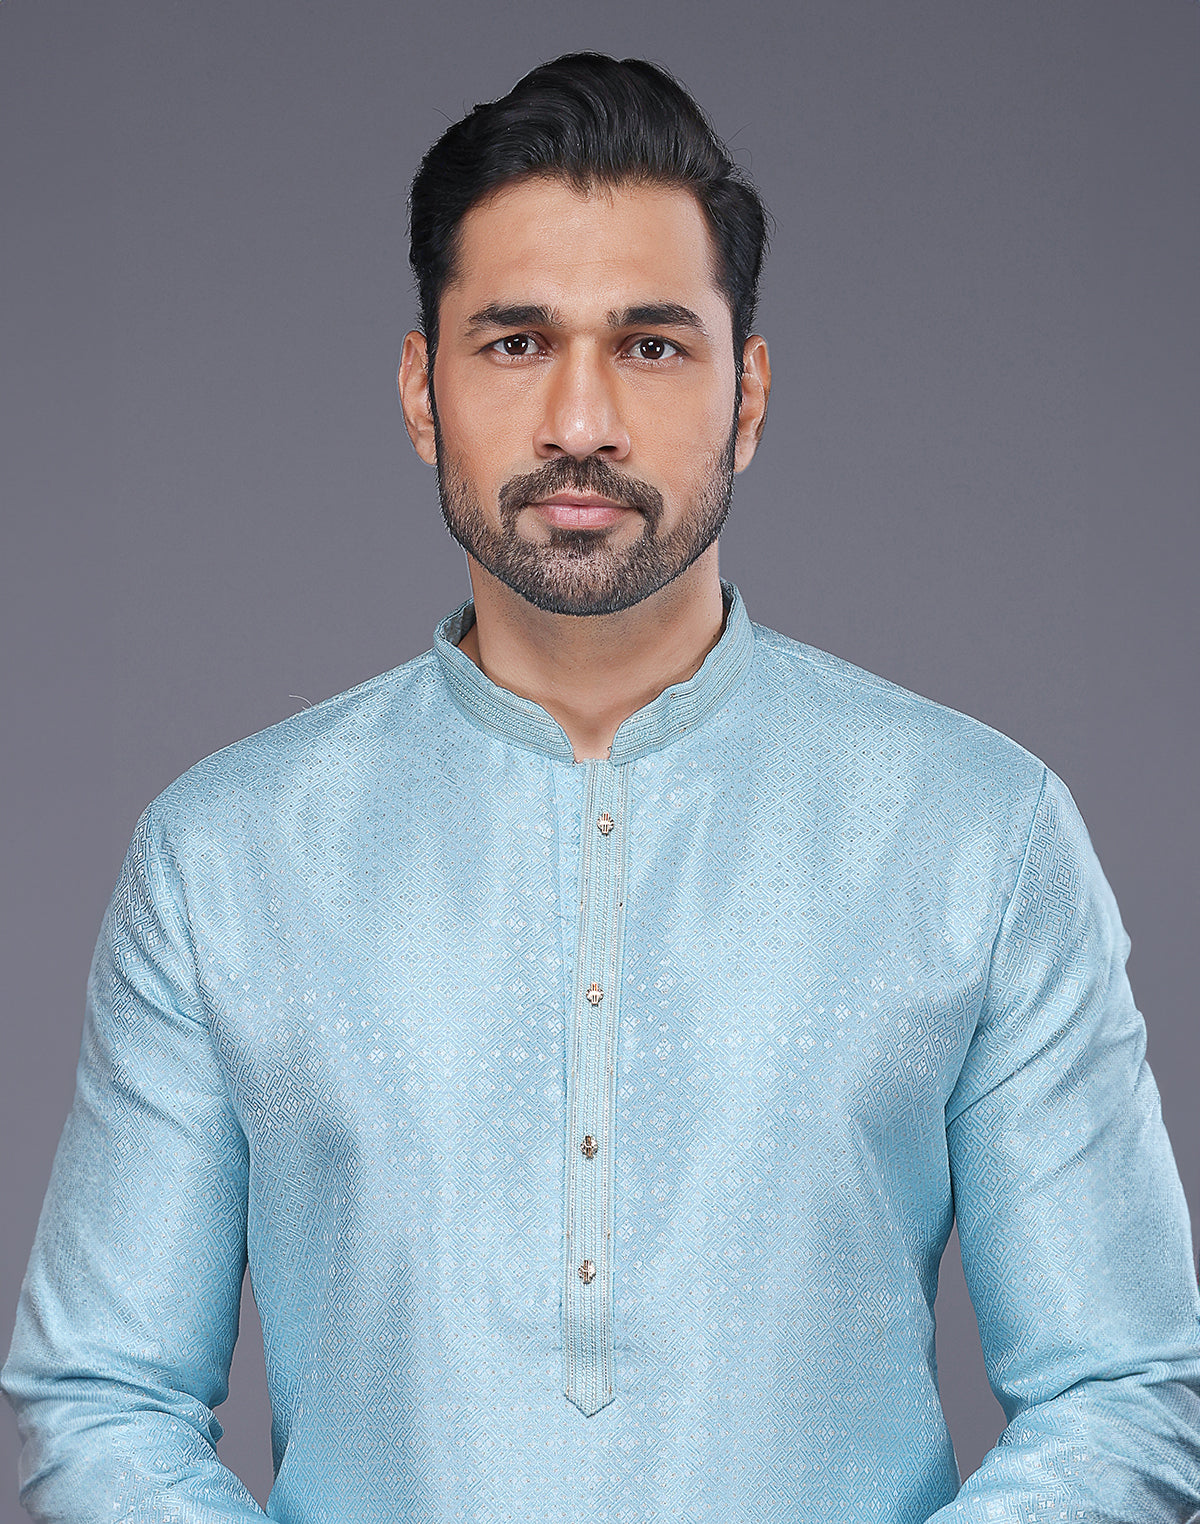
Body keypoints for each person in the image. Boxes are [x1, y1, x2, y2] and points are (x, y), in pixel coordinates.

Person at [3, 50, 1198, 1524]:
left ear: (748, 394)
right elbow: (100, 1398)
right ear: (420, 390)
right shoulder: (224, 856)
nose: (581, 422)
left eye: (651, 346)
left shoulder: (980, 833)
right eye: (516, 343)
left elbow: (1125, 1389)